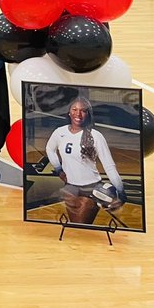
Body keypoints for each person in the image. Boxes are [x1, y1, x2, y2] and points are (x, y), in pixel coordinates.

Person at [45, 96, 127, 226]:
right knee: (75, 226)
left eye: (83, 110)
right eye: (74, 109)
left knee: (81, 226)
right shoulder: (59, 133)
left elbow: (109, 166)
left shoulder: (96, 136)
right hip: (70, 187)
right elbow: (49, 149)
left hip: (92, 189)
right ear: (69, 112)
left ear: (88, 114)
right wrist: (58, 169)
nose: (78, 114)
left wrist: (120, 191)